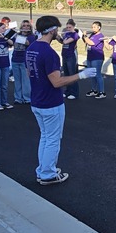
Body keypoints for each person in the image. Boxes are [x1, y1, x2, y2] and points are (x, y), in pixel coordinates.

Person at [25, 15, 96, 185]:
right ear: (52, 30)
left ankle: (43, 169)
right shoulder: (49, 53)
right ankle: (48, 174)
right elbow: (56, 82)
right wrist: (80, 75)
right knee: (53, 139)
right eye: (57, 29)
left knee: (45, 137)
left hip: (37, 99)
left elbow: (30, 73)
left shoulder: (32, 47)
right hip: (50, 102)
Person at [11, 20, 35, 103]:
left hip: (24, 61)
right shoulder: (17, 35)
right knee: (17, 80)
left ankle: (27, 97)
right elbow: (11, 43)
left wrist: (17, 36)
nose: (25, 27)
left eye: (27, 26)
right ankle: (18, 98)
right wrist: (5, 36)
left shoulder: (31, 36)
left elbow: (27, 43)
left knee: (26, 80)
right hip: (15, 59)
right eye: (24, 26)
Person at [83, 21, 106, 98]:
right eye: (92, 27)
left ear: (99, 27)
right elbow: (86, 42)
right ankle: (94, 90)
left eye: (95, 27)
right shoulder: (92, 34)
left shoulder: (100, 36)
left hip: (97, 57)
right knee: (92, 74)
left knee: (97, 74)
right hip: (90, 57)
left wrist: (85, 36)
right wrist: (83, 36)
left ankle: (102, 92)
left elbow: (91, 43)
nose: (93, 28)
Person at [61, 19, 81, 100]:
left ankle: (74, 92)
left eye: (69, 27)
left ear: (73, 27)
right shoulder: (66, 34)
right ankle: (67, 91)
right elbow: (62, 41)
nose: (68, 29)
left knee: (72, 74)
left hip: (71, 56)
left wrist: (64, 40)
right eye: (67, 27)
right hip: (64, 55)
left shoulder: (74, 34)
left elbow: (65, 42)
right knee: (66, 74)